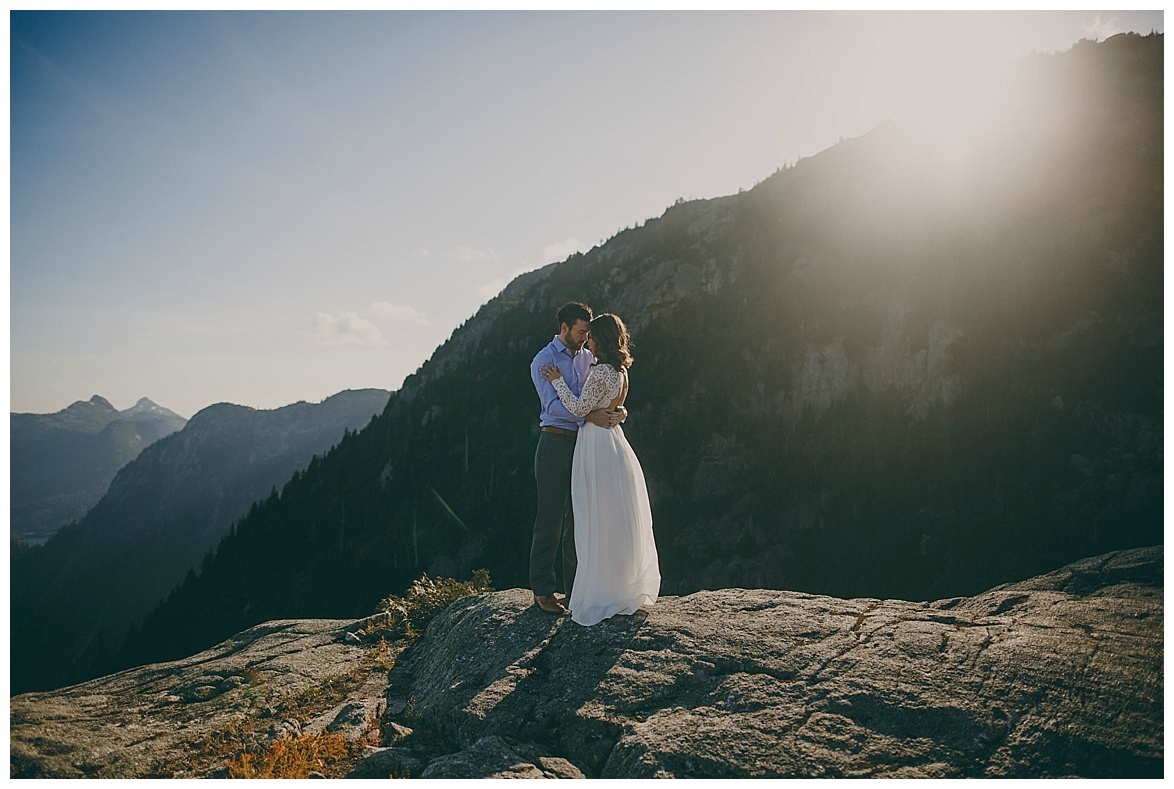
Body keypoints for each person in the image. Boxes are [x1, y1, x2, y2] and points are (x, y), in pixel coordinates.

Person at [539, 312, 660, 626]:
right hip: (614, 444)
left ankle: (599, 589)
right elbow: (616, 408)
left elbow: (580, 408)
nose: (587, 340)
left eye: (591, 335)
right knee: (613, 518)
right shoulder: (621, 372)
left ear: (601, 339)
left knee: (595, 516)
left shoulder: (602, 371)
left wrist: (557, 381)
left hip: (595, 446)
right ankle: (617, 585)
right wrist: (617, 413)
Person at [529, 302, 625, 615]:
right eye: (581, 332)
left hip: (586, 445)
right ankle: (543, 591)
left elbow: (600, 396)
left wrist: (613, 412)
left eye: (589, 333)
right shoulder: (544, 360)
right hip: (555, 443)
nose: (585, 338)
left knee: (581, 518)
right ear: (565, 327)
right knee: (550, 519)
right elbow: (552, 407)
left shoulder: (589, 357)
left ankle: (576, 589)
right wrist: (590, 416)